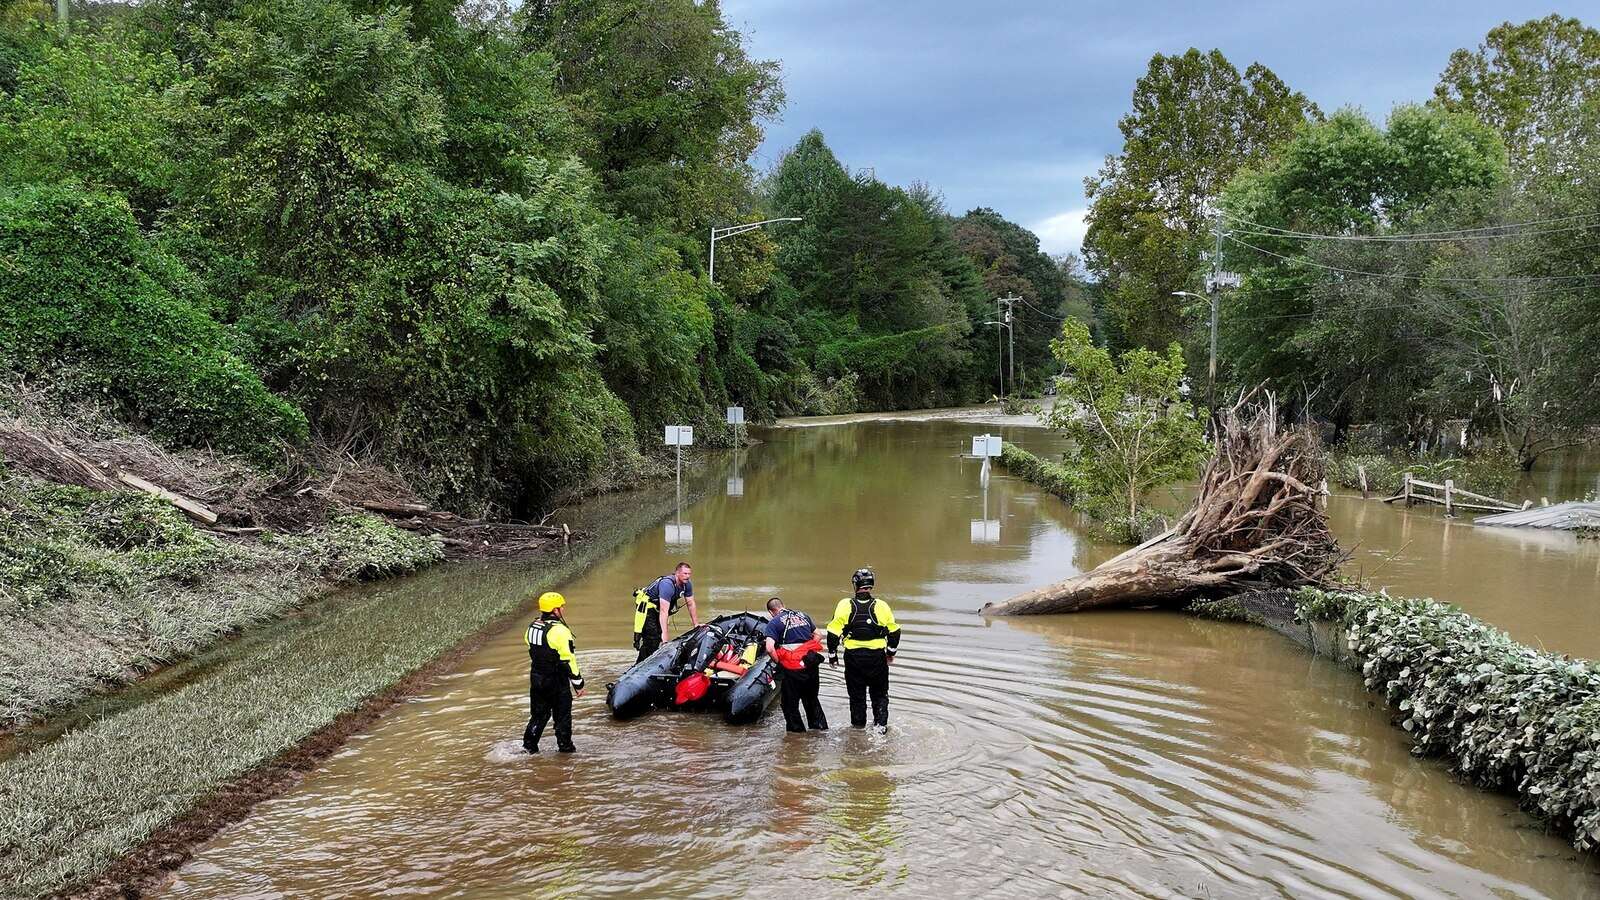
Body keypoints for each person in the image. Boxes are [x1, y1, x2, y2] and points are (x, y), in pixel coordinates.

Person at [826, 568, 900, 733]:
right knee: (880, 696)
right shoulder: (882, 606)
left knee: (857, 697)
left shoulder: (845, 605)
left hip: (853, 659)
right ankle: (880, 729)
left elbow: (833, 633)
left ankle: (858, 730)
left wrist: (832, 656)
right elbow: (894, 632)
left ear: (855, 584)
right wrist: (890, 653)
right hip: (877, 658)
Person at [522, 591, 584, 754]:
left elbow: (530, 646)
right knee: (562, 717)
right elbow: (568, 659)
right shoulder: (560, 631)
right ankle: (566, 750)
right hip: (556, 680)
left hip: (537, 678)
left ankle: (529, 748)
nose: (563, 609)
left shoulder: (532, 626)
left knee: (538, 716)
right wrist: (578, 683)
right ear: (555, 610)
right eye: (561, 607)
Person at [763, 597, 828, 733]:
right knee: (811, 699)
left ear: (771, 612)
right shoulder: (802, 615)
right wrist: (805, 650)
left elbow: (769, 648)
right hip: (810, 665)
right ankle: (820, 730)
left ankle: (796, 736)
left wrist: (778, 662)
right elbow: (818, 635)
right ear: (783, 605)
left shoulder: (774, 623)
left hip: (792, 669)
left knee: (789, 704)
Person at [632, 561, 701, 663]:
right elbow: (664, 612)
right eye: (685, 574)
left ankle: (651, 660)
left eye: (689, 574)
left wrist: (696, 625)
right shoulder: (667, 585)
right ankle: (640, 665)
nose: (687, 576)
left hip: (659, 608)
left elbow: (691, 604)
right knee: (653, 638)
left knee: (657, 637)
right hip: (648, 607)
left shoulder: (687, 584)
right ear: (677, 573)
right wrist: (665, 638)